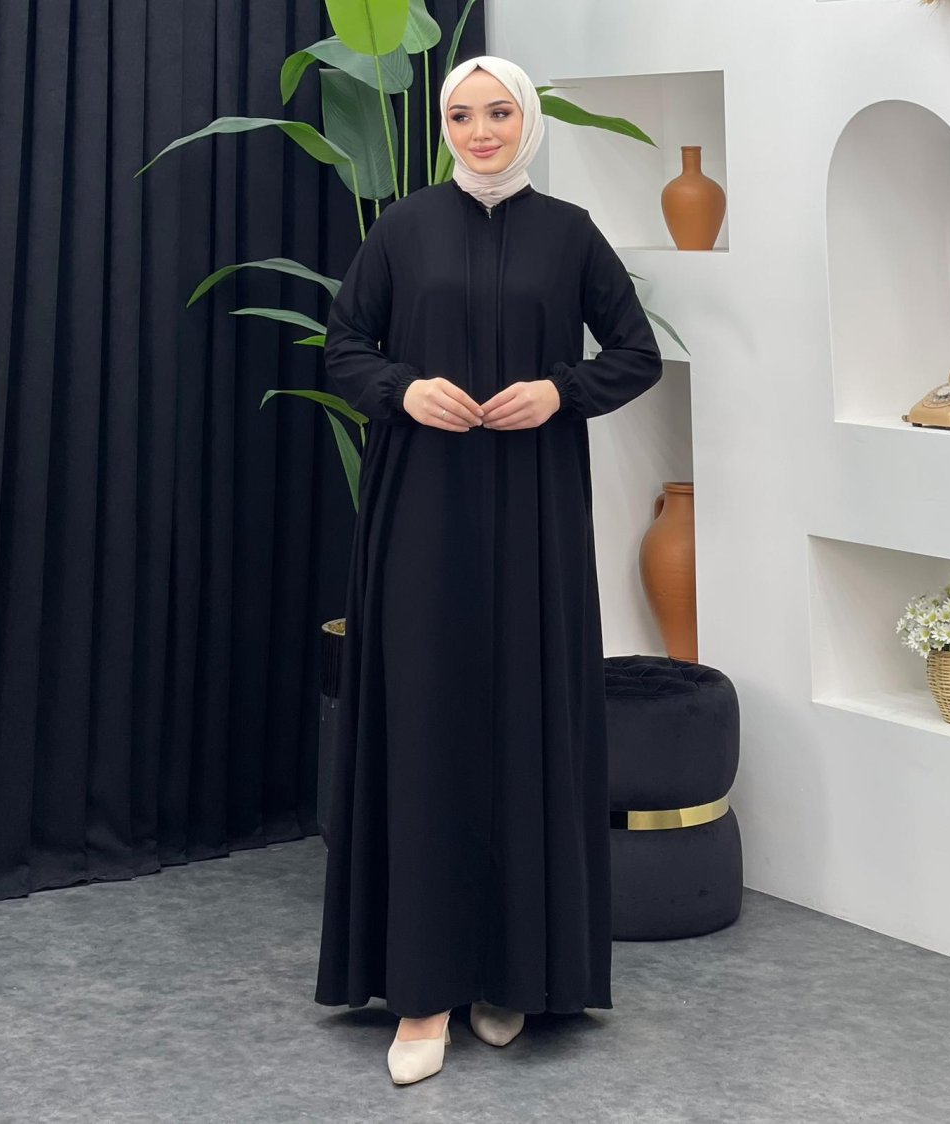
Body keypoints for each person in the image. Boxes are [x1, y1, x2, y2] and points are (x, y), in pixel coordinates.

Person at [314, 53, 663, 1085]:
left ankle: (511, 972)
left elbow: (634, 352)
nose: (479, 131)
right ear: (445, 127)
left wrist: (560, 392)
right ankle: (421, 992)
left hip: (533, 511)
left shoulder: (570, 233)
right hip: (421, 507)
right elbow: (344, 346)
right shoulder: (403, 228)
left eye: (499, 112)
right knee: (426, 723)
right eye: (461, 115)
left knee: (522, 716)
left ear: (527, 121)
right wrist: (402, 389)